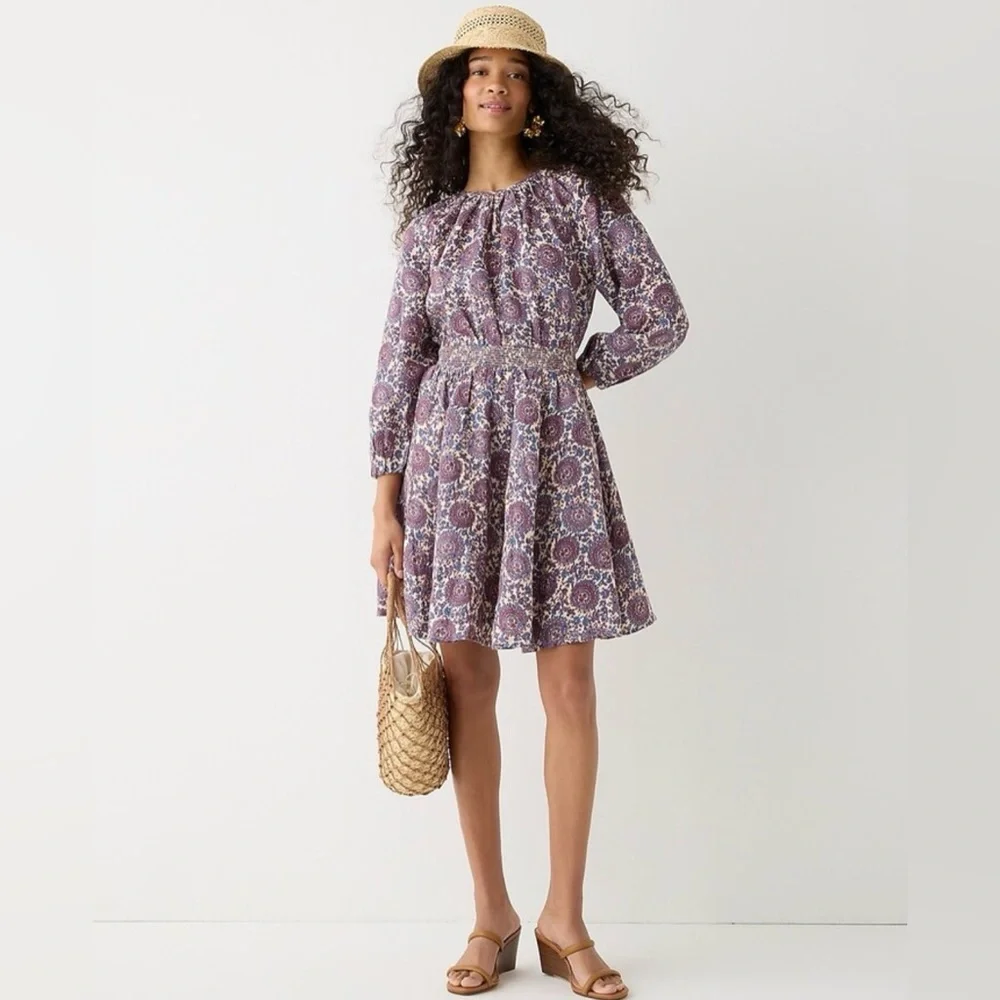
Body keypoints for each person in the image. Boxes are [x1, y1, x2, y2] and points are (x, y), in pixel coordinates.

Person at [368, 6, 689, 996]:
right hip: (447, 459)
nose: (494, 84)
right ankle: (489, 914)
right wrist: (383, 503)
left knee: (569, 685)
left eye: (513, 71)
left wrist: (572, 370)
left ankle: (564, 920)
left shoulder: (578, 203)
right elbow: (400, 361)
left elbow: (660, 313)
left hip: (554, 454)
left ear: (536, 97)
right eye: (478, 70)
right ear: (455, 98)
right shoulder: (430, 227)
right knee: (466, 684)